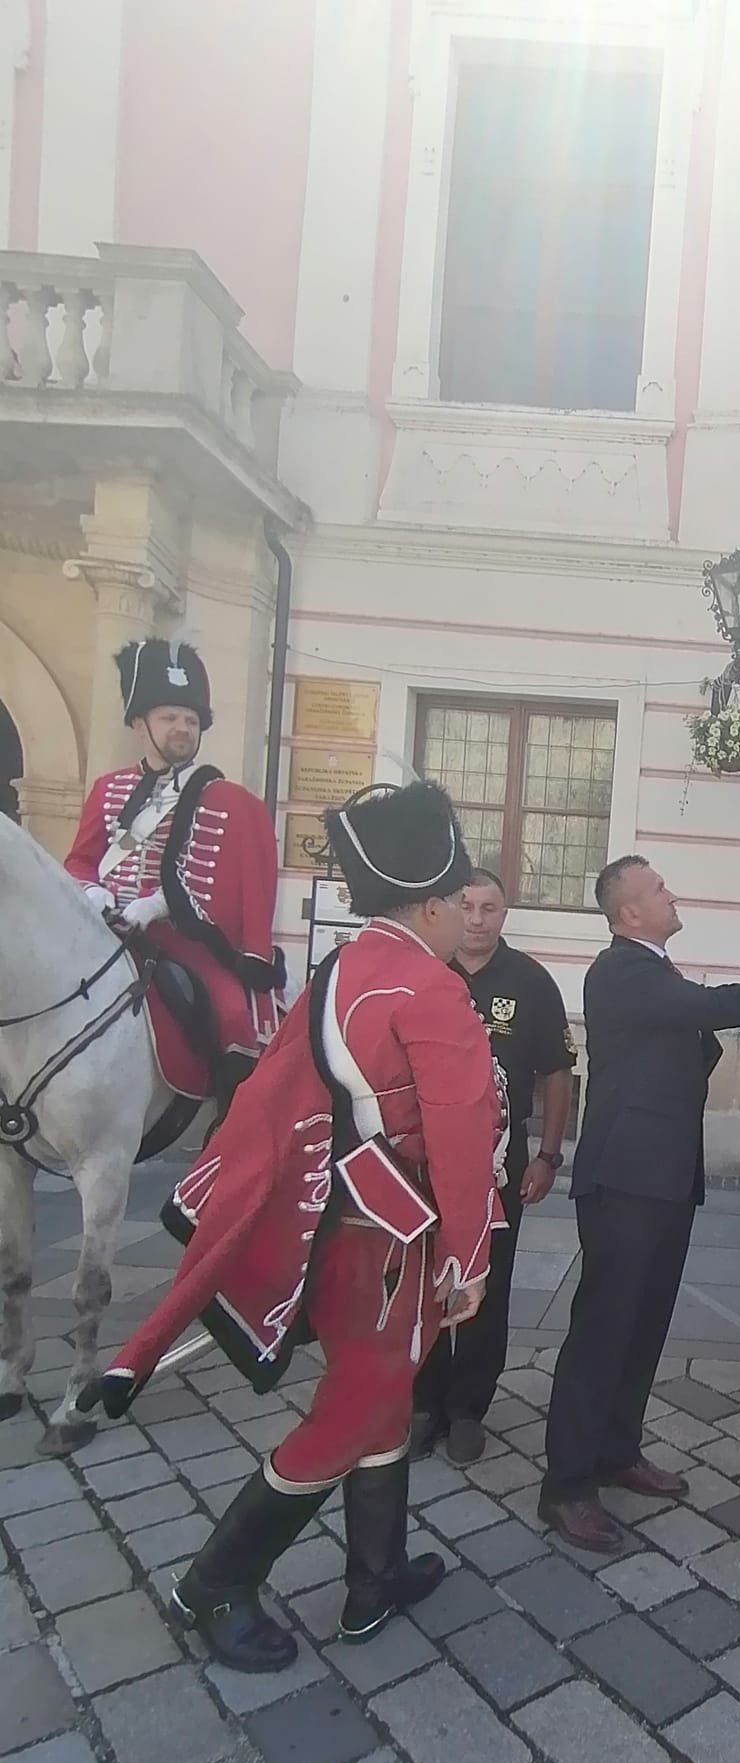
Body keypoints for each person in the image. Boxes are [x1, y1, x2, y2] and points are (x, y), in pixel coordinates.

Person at [80, 781, 500, 1673]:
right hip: (394, 1244)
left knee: (380, 1398)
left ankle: (374, 1579)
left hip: (334, 1227)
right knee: (350, 1413)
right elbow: (463, 1136)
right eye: (460, 903)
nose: (468, 918)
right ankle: (214, 1584)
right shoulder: (432, 989)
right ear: (430, 904)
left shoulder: (344, 965)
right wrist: (469, 1259)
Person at [540, 856, 740, 1552]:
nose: (673, 895)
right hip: (624, 1179)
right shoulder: (621, 970)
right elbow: (707, 1009)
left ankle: (616, 1451)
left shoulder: (654, 971)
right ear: (627, 913)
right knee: (603, 1331)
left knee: (644, 1326)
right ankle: (566, 1487)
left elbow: (688, 1036)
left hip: (663, 1175)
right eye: (659, 889)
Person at [64, 638, 284, 1109]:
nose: (183, 728)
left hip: (185, 942)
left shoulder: (230, 801)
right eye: (169, 718)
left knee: (232, 1015)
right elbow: (80, 860)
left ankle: (228, 1123)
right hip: (103, 933)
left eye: (191, 720)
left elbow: (237, 889)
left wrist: (159, 904)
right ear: (138, 724)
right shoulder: (108, 789)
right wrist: (93, 892)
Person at [412, 866, 576, 1466]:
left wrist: (548, 1156)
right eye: (467, 906)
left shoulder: (531, 982)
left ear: (505, 914)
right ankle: (422, 1404)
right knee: (425, 1280)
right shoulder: (423, 973)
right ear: (447, 910)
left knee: (489, 1282)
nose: (477, 920)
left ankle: (467, 1409)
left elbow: (558, 1072)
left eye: (490, 908)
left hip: (500, 1167)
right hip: (422, 1164)